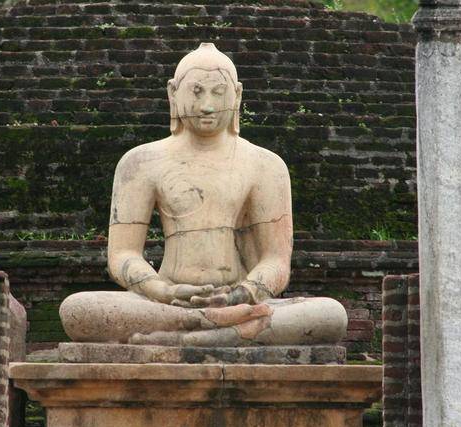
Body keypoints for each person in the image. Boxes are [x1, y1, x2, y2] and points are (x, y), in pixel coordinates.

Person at [60, 43, 347, 347]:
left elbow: (275, 261)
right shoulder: (140, 162)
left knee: (331, 315)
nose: (207, 105)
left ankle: (189, 333)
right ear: (173, 93)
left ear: (236, 95)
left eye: (218, 93)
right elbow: (122, 255)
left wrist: (242, 294)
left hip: (240, 301)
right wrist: (163, 291)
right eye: (196, 92)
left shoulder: (266, 165)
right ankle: (212, 330)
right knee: (78, 310)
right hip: (166, 302)